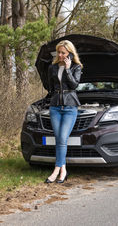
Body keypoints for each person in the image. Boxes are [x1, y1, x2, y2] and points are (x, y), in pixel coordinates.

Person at [45, 40, 82, 183]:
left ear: (70, 54)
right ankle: (63, 169)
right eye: (59, 52)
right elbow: (50, 86)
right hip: (55, 107)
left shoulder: (76, 67)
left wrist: (67, 68)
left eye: (63, 53)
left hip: (69, 107)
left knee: (62, 139)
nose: (60, 55)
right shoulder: (52, 67)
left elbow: (74, 85)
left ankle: (56, 170)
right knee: (59, 139)